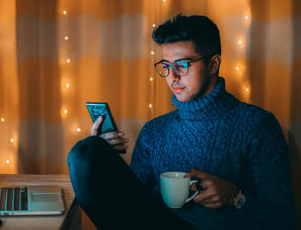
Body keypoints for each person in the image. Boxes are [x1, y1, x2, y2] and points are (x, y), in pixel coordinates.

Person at [67, 14, 298, 229]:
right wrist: (103, 156)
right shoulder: (154, 131)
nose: (172, 76)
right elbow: (131, 204)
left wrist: (235, 196)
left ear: (213, 64)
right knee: (85, 154)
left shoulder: (257, 126)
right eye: (166, 66)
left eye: (182, 65)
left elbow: (284, 220)